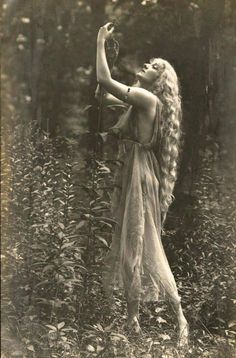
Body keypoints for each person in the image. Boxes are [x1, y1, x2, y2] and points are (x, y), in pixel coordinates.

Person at [96, 23, 189, 346]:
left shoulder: (147, 99)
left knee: (139, 242)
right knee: (131, 243)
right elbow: (103, 95)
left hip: (139, 173)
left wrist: (99, 42)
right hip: (135, 171)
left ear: (159, 80)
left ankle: (177, 318)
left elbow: (104, 80)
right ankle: (133, 319)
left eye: (155, 67)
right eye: (150, 63)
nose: (148, 65)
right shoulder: (141, 101)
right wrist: (109, 55)